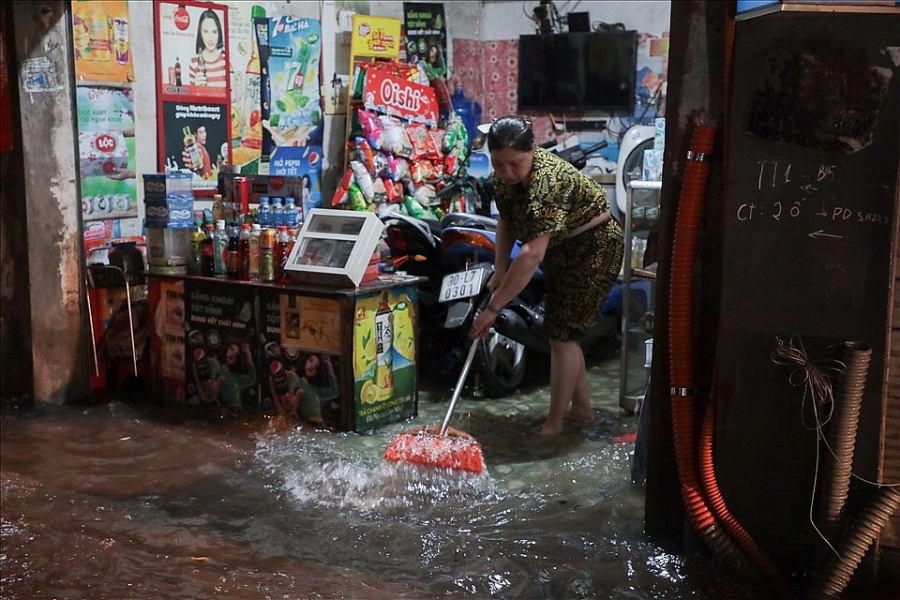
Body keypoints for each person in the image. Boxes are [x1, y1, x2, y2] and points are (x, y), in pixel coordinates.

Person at [471, 115, 624, 436]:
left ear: (532, 151)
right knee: (562, 333)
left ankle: (552, 427)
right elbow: (507, 222)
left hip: (593, 247)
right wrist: (499, 269)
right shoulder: (504, 178)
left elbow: (530, 255)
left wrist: (493, 308)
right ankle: (581, 411)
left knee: (563, 336)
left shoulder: (547, 181)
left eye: (515, 164)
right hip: (560, 248)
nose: (506, 172)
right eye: (498, 164)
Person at [191, 340, 256, 412]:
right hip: (226, 412)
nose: (232, 355)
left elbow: (252, 379)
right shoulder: (217, 366)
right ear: (226, 349)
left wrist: (248, 354)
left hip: (238, 413)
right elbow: (209, 380)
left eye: (236, 355)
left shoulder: (235, 377)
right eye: (231, 349)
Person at [189, 9, 226, 88]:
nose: (210, 38)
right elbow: (192, 99)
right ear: (200, 33)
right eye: (205, 31)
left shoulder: (225, 60)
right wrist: (196, 89)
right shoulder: (194, 62)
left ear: (219, 33)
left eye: (214, 32)